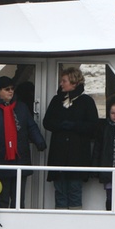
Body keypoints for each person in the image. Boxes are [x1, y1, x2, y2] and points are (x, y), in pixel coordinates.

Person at [0, 76, 46, 208]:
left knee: (18, 200)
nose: (11, 91)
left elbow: (30, 126)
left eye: (12, 89)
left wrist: (39, 141)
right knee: (1, 199)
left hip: (20, 158)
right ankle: (0, 227)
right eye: (7, 89)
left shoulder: (21, 107)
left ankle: (18, 227)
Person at [42, 67, 98, 209]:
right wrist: (62, 125)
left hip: (77, 155)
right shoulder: (56, 100)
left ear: (74, 82)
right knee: (59, 191)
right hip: (59, 154)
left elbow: (93, 126)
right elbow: (47, 122)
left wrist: (74, 126)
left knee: (75, 190)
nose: (61, 84)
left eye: (64, 81)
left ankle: (75, 225)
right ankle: (59, 225)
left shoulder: (86, 101)